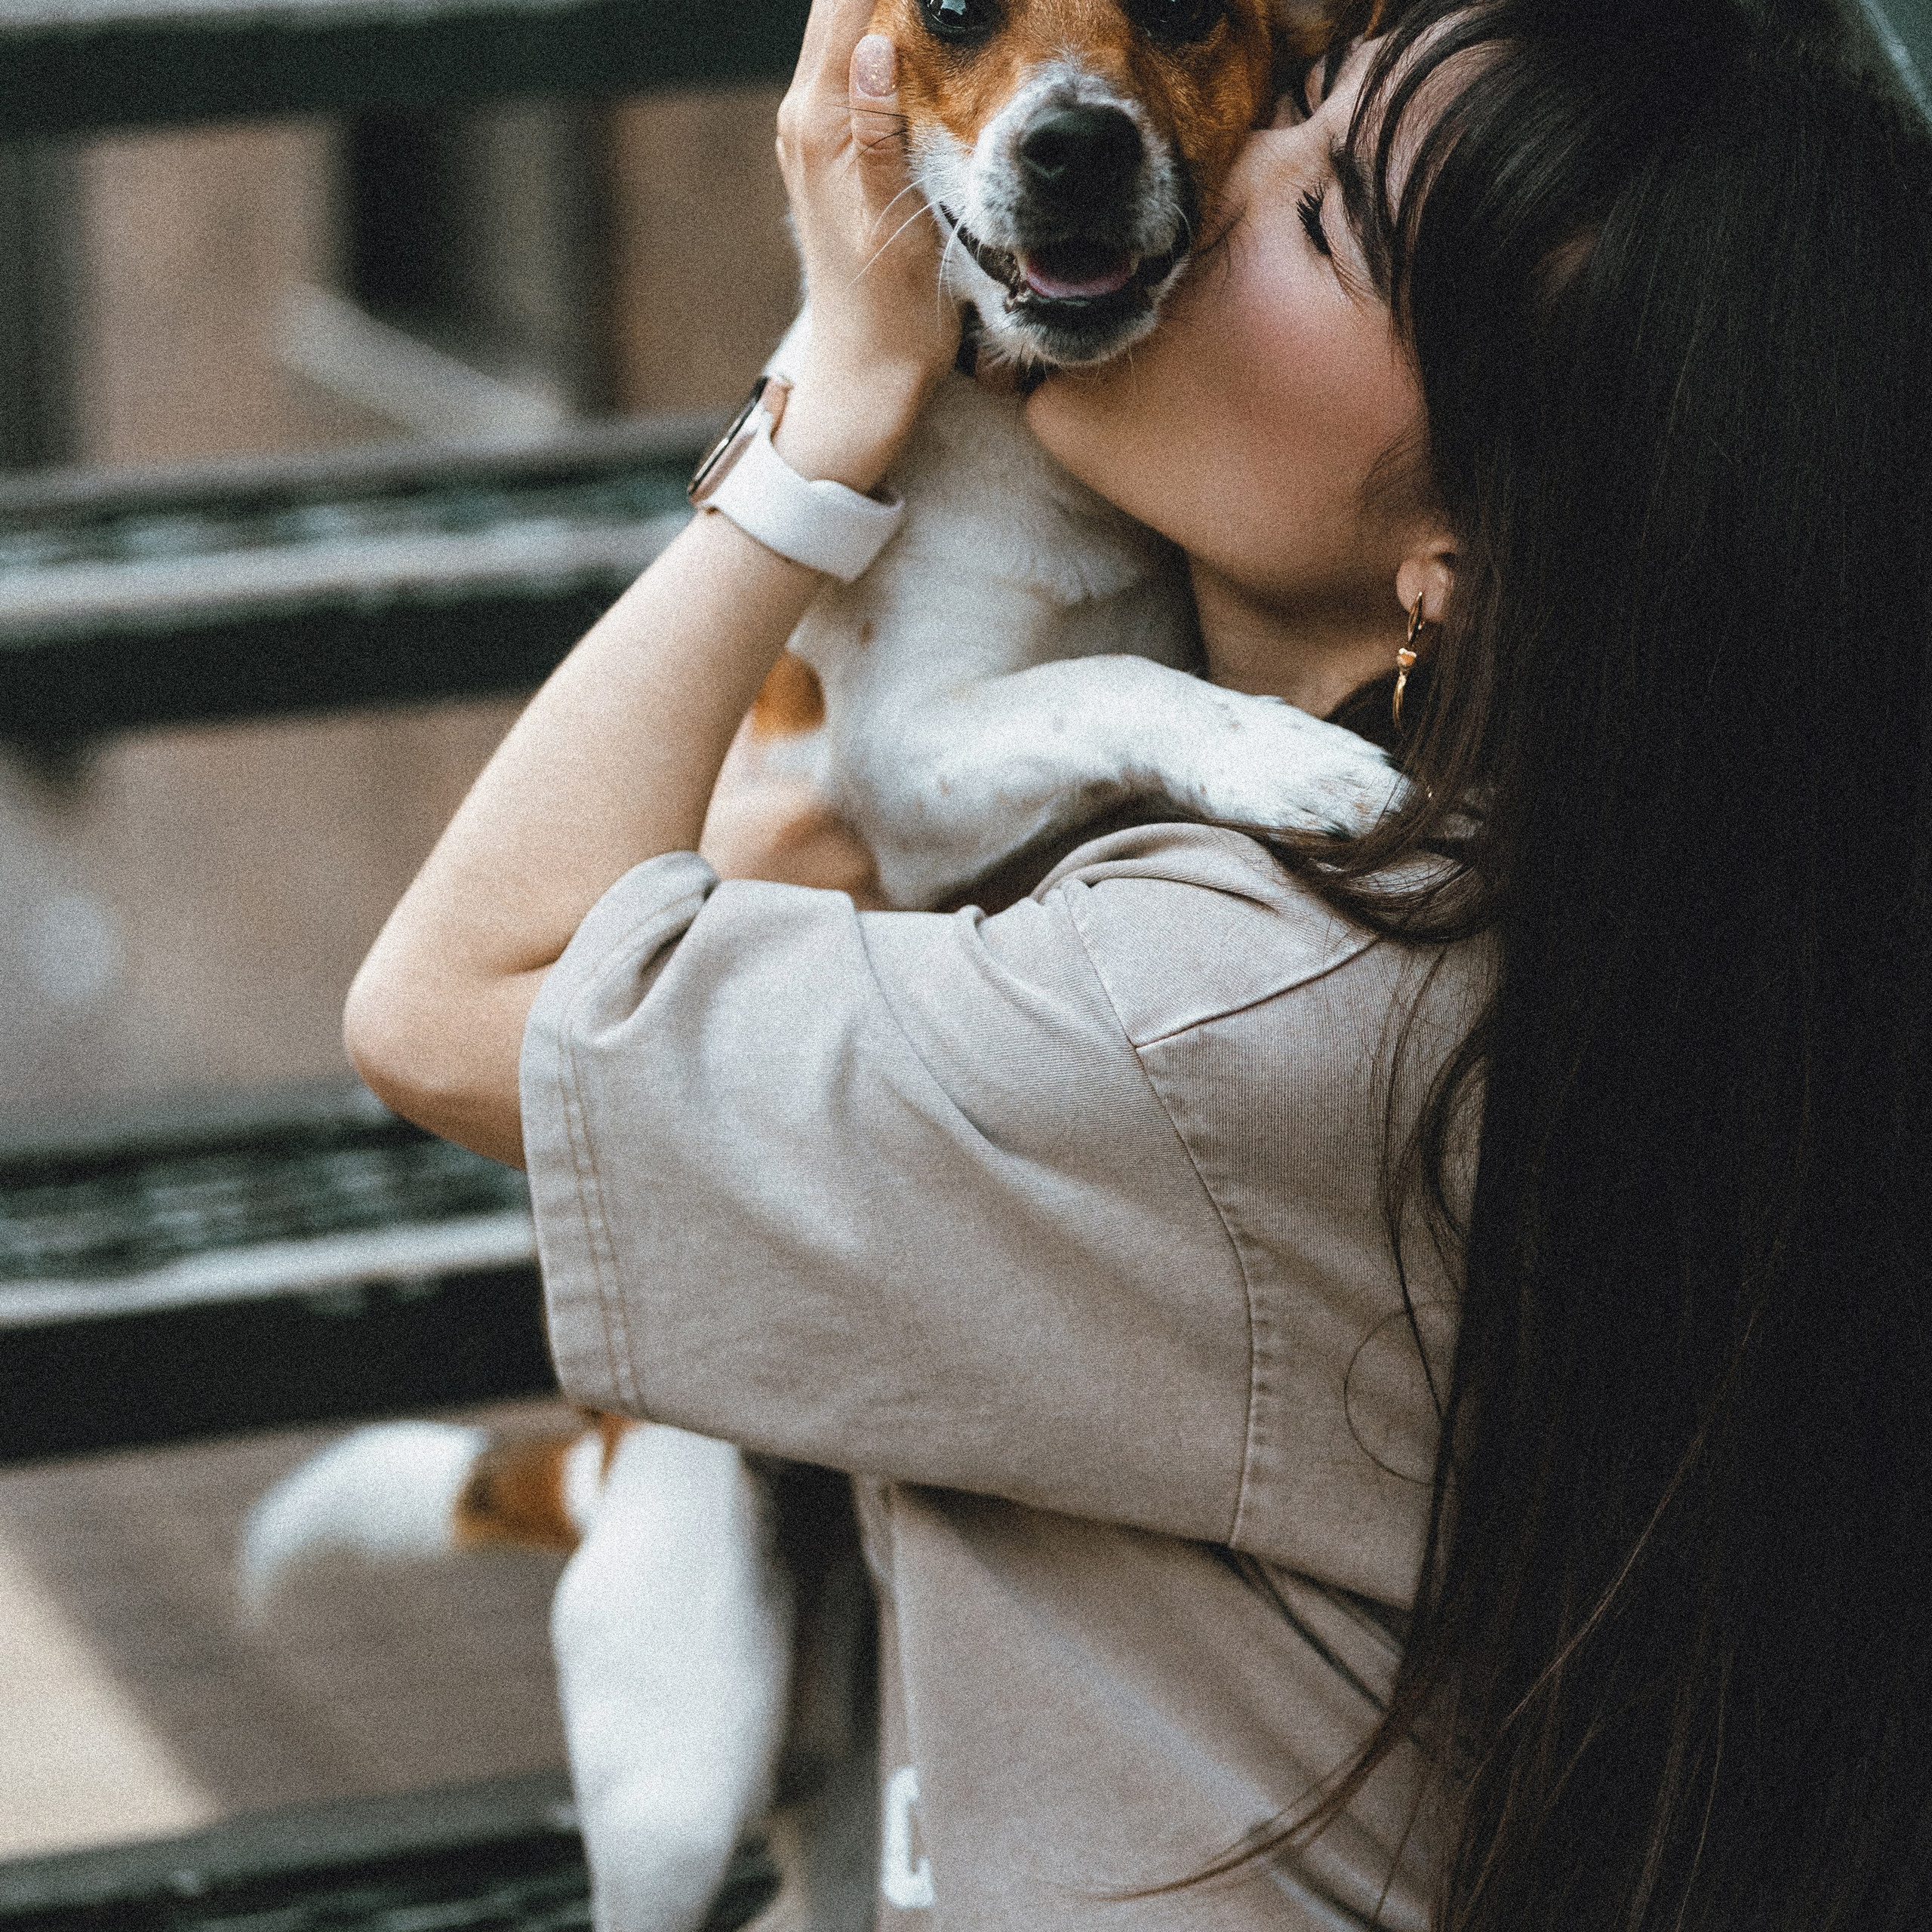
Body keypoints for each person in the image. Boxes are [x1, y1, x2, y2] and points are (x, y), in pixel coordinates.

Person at [345, 0, 1932, 1922]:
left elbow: (438, 1013)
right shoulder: (1605, 910)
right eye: (1308, 93)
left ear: (1468, 547)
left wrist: (825, 411)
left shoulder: (1222, 1021)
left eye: (1330, 219)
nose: (1207, 156)